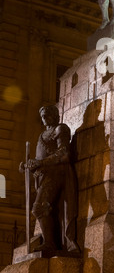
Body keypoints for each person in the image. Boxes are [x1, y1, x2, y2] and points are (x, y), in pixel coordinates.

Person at [19, 105, 79, 255]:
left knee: (38, 208)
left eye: (47, 115)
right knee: (44, 210)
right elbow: (41, 158)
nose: (44, 118)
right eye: (42, 116)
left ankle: (50, 244)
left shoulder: (61, 129)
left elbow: (64, 153)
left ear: (55, 114)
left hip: (57, 173)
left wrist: (40, 163)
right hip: (44, 175)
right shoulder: (42, 135)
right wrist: (28, 166)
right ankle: (50, 242)